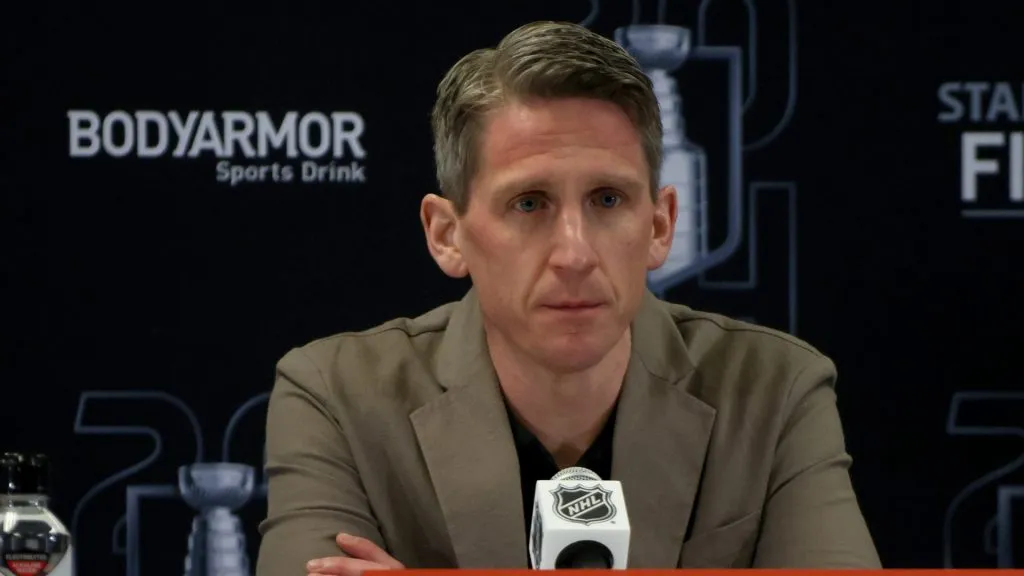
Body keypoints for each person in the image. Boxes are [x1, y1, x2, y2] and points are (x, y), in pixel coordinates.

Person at [254, 20, 881, 576]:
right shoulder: (337, 396)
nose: (575, 252)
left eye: (608, 200)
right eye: (529, 203)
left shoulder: (776, 391)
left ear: (661, 225)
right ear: (448, 235)